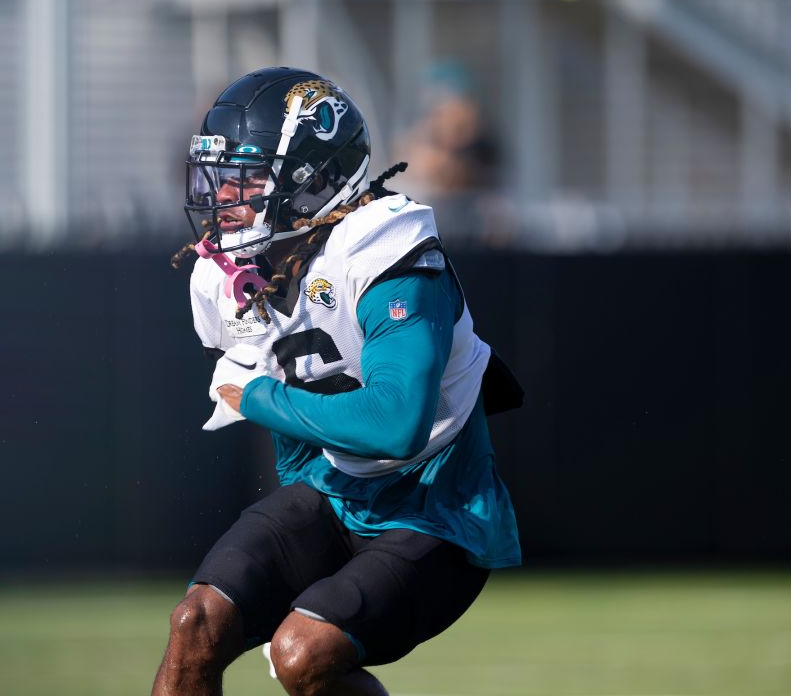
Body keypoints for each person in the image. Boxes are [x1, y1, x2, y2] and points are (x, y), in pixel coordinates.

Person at [153, 67, 522, 696]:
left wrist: (261, 398)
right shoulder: (228, 275)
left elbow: (396, 423)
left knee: (302, 653)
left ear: (311, 183)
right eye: (220, 176)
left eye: (246, 177)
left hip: (435, 509)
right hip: (330, 492)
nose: (223, 198)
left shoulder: (390, 257)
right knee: (197, 623)